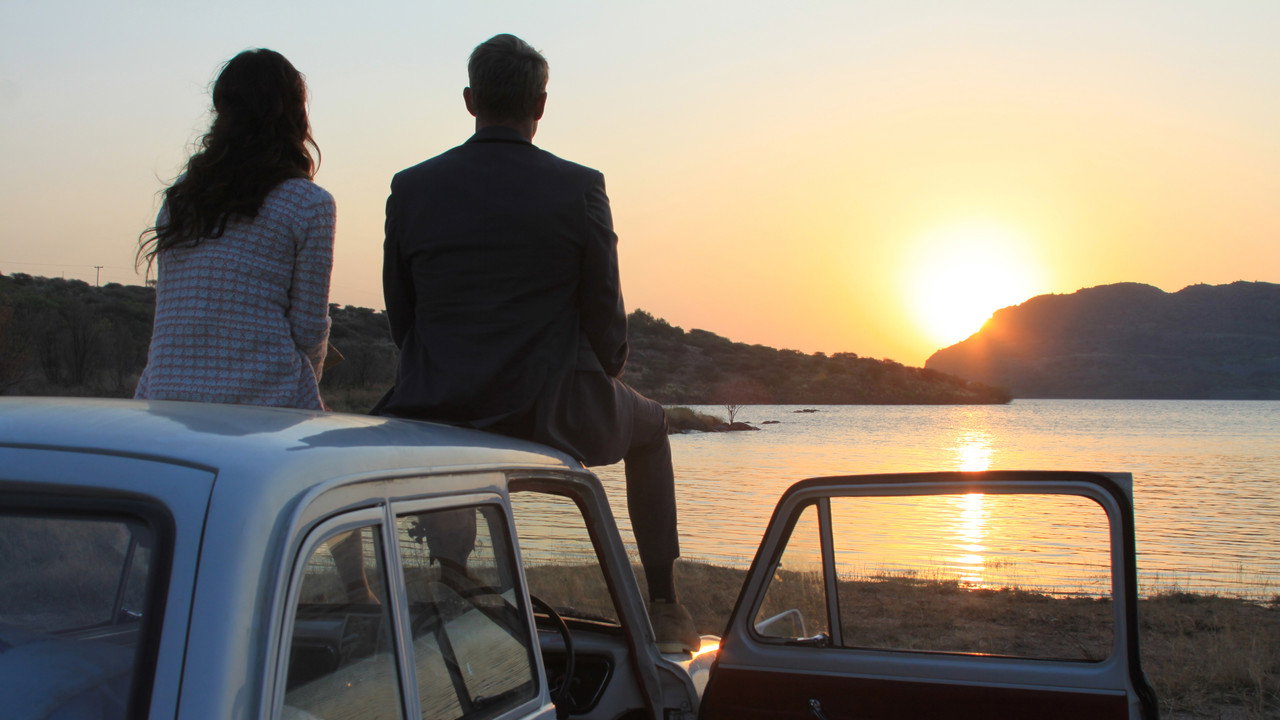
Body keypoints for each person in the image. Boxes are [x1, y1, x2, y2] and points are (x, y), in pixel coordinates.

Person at [376, 34, 700, 652]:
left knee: (447, 436)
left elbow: (402, 319)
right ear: (541, 106)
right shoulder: (579, 187)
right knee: (654, 426)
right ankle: (664, 603)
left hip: (436, 402)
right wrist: (603, 370)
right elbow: (607, 324)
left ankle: (453, 575)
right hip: (547, 408)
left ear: (470, 100)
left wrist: (446, 374)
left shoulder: (411, 187)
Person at [135, 48, 335, 411]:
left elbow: (171, 314)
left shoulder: (179, 200)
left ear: (222, 111)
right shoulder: (308, 203)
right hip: (265, 402)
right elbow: (308, 329)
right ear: (295, 113)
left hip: (163, 397)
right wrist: (310, 380)